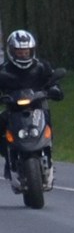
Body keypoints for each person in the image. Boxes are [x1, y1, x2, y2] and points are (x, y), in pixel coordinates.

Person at [0, 30, 63, 181]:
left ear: (32, 51)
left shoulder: (41, 66)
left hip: (37, 107)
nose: (23, 55)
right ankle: (8, 158)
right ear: (11, 51)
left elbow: (52, 81)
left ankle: (48, 152)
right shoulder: (3, 70)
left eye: (26, 52)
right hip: (13, 110)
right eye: (19, 52)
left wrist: (55, 90)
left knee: (46, 116)